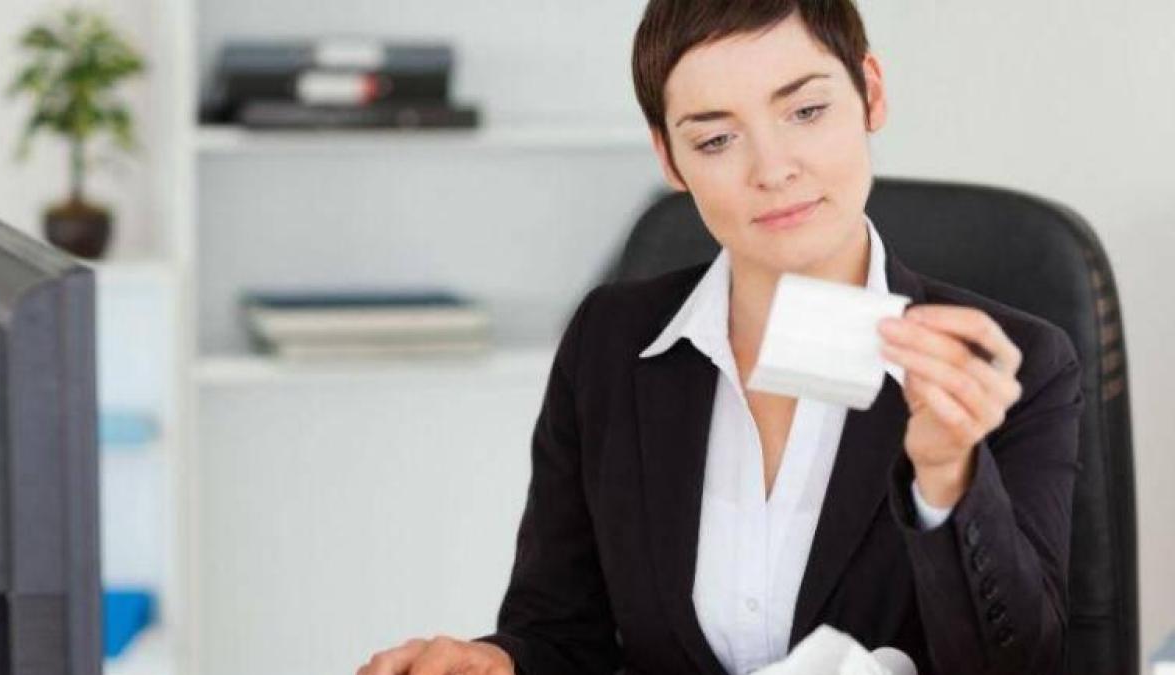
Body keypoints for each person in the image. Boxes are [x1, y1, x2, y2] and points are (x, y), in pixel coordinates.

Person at [357, 1, 1084, 674]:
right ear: (669, 158)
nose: (773, 169)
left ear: (870, 92)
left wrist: (948, 477)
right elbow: (561, 635)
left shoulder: (1014, 367)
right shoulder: (609, 344)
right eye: (715, 139)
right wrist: (501, 664)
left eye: (806, 110)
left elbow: (1021, 665)